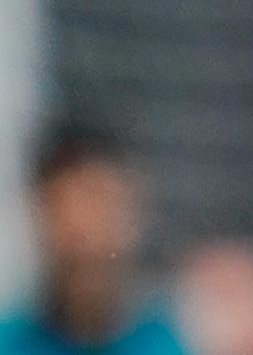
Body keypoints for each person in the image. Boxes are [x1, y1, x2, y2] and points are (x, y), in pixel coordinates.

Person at [0, 127, 186, 355]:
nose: (88, 246)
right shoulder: (11, 342)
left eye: (102, 213)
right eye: (70, 224)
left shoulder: (168, 341)